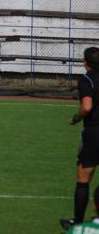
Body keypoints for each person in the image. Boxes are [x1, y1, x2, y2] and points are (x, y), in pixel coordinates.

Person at [60, 48, 99, 232]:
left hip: (94, 133)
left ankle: (78, 223)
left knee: (83, 179)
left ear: (85, 62)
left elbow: (87, 106)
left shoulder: (87, 79)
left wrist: (76, 118)